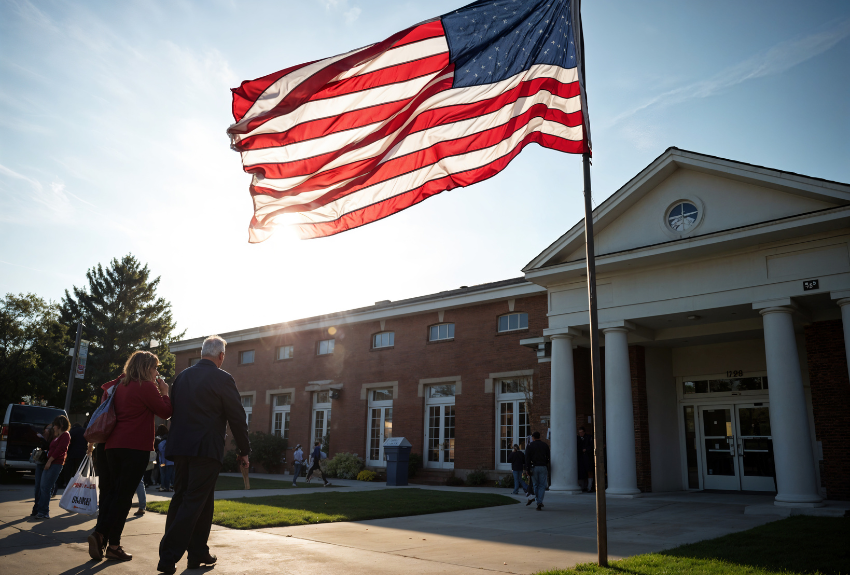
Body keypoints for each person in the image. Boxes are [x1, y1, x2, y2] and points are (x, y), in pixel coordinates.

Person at [157, 335, 250, 575]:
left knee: (191, 500)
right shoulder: (223, 379)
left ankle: (198, 553)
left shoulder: (182, 378)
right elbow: (237, 417)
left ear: (201, 353)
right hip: (206, 449)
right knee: (193, 502)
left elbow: (172, 412)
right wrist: (244, 451)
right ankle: (168, 557)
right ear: (221, 356)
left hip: (180, 449)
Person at [87, 351, 172, 563]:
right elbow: (165, 411)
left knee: (116, 494)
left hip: (113, 447)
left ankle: (110, 542)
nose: (156, 372)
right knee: (123, 497)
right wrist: (166, 392)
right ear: (146, 367)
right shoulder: (146, 387)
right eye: (155, 368)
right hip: (135, 447)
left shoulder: (121, 386)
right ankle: (103, 536)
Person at [33, 416, 70, 518]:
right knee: (43, 487)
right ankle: (42, 511)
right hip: (51, 462)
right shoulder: (59, 436)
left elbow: (60, 450)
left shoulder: (65, 435)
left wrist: (49, 461)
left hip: (55, 463)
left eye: (55, 425)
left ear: (61, 425)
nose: (53, 427)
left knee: (45, 487)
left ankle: (44, 512)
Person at [524, 431, 550, 511]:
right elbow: (548, 456)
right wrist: (545, 463)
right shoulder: (545, 445)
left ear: (533, 437)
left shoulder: (530, 446)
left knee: (535, 484)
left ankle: (537, 501)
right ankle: (540, 501)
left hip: (533, 466)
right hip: (543, 466)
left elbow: (527, 459)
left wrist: (527, 469)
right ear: (539, 437)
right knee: (542, 485)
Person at [59, 422, 87, 488]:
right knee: (81, 471)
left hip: (72, 455)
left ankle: (70, 485)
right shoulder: (85, 431)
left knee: (71, 472)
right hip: (82, 454)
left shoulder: (71, 432)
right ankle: (80, 485)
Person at [577, 427, 594, 492]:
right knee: (583, 472)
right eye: (579, 432)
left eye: (582, 432)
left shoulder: (589, 437)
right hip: (581, 458)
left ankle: (590, 486)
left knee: (589, 471)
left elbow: (592, 446)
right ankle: (584, 486)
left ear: (584, 432)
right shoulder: (578, 438)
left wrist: (586, 450)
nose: (580, 434)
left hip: (588, 457)